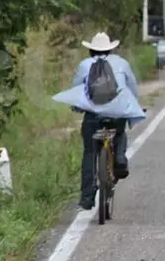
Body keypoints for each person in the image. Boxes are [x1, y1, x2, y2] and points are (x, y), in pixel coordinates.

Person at [52, 32, 146, 211]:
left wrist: (77, 107)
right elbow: (132, 87)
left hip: (93, 117)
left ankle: (87, 197)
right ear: (111, 49)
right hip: (118, 114)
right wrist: (133, 105)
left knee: (89, 152)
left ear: (90, 51)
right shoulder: (121, 63)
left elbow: (77, 90)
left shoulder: (84, 65)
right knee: (119, 133)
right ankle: (119, 158)